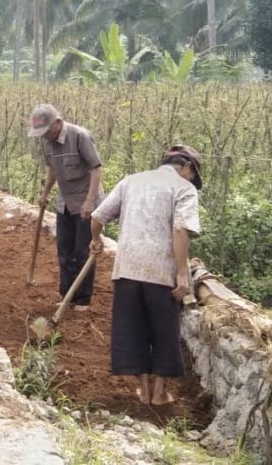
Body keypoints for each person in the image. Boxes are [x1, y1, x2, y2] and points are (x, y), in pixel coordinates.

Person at [90, 145, 202, 406]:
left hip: (127, 269)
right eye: (192, 176)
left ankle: (142, 390)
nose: (192, 181)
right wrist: (183, 273)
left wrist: (96, 240)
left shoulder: (132, 181)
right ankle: (159, 392)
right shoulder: (184, 189)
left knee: (134, 329)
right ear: (186, 167)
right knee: (164, 331)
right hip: (161, 271)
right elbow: (181, 230)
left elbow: (98, 217)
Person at [28, 104, 103, 312]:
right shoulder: (48, 142)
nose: (44, 136)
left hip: (85, 202)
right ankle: (67, 295)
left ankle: (82, 300)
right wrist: (45, 193)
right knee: (64, 250)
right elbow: (52, 168)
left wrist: (90, 201)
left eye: (46, 131)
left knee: (82, 251)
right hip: (65, 203)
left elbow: (96, 170)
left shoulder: (80, 136)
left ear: (58, 123)